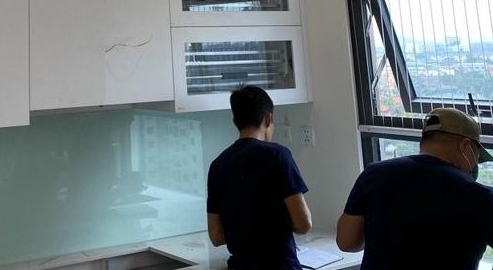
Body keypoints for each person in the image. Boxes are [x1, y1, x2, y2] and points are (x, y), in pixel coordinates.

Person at [336, 107, 493, 270]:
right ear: (465, 146)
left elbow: (347, 242)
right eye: (477, 156)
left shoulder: (373, 174)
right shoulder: (479, 196)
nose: (475, 164)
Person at [206, 85, 313, 270]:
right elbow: (303, 225)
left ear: (235, 121)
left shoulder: (217, 165)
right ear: (268, 119)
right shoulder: (278, 155)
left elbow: (216, 237)